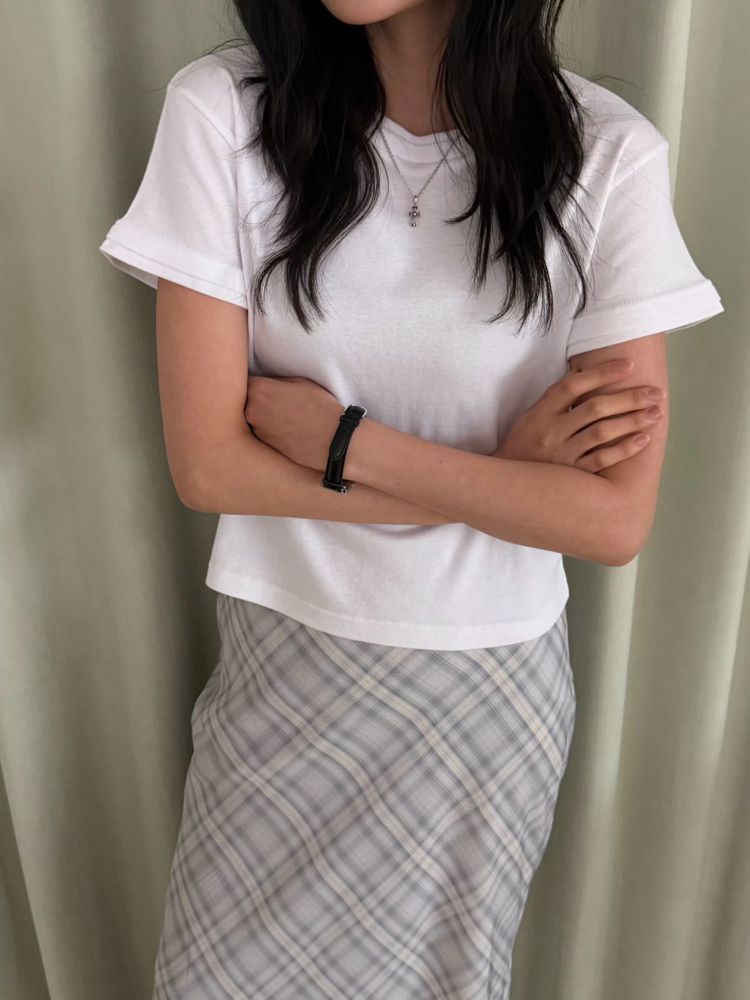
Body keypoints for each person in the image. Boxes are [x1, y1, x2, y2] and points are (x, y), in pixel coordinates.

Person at [98, 2, 724, 997]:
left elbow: (611, 521)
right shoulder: (222, 113)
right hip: (287, 676)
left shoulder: (610, 157)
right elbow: (210, 468)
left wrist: (351, 445)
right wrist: (502, 478)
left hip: (487, 693)